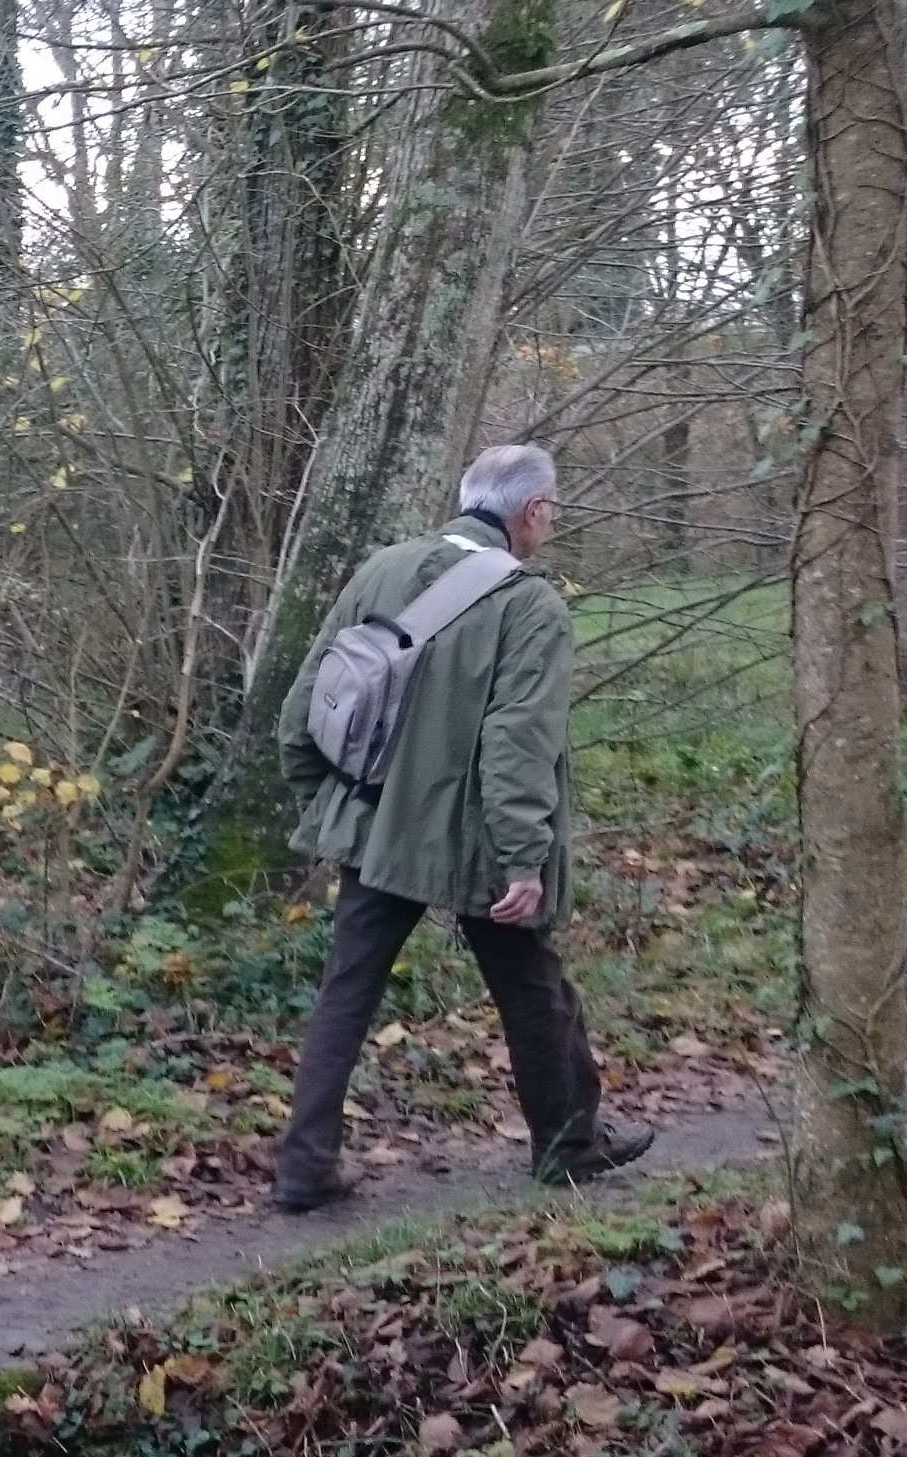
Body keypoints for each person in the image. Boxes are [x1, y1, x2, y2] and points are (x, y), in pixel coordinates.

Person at [270, 443, 653, 1211]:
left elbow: (305, 702)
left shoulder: (383, 567)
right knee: (533, 988)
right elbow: (518, 741)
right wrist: (524, 859)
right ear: (533, 512)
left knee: (346, 993)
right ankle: (568, 1145)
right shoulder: (528, 605)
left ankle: (304, 1167)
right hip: (474, 841)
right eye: (552, 512)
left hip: (374, 829)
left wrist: (334, 801)